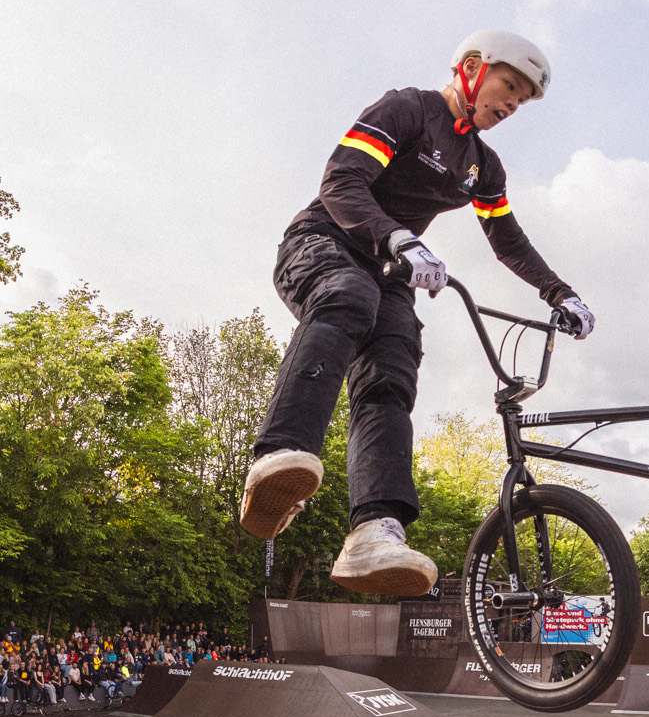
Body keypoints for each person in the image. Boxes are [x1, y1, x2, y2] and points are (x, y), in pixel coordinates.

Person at [238, 30, 591, 596]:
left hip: (392, 270)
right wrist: (398, 237)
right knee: (347, 295)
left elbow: (507, 239)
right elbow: (341, 181)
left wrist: (559, 292)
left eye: (522, 101)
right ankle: (281, 454)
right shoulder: (407, 109)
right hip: (325, 240)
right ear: (472, 68)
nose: (510, 105)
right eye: (508, 87)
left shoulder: (483, 166)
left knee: (394, 368)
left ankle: (374, 530)